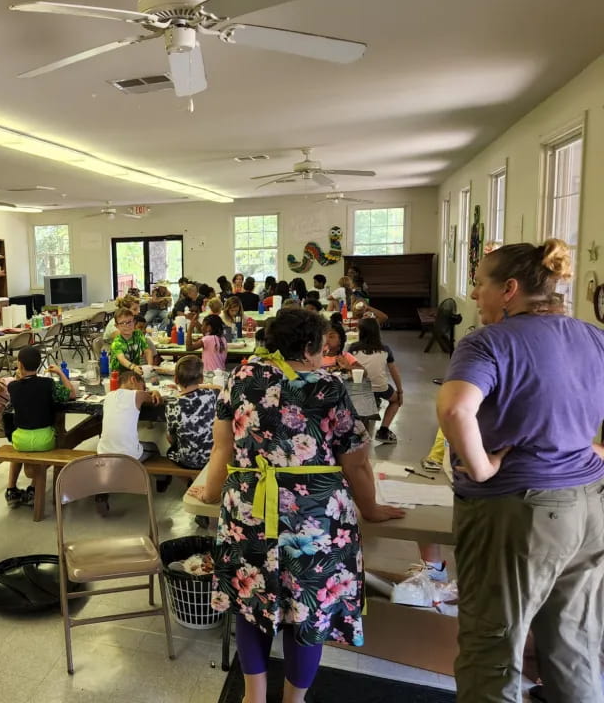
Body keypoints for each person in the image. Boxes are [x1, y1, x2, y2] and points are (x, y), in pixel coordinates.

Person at [189, 308, 403, 703]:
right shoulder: (328, 386)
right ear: (309, 346)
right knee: (308, 611)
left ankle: (253, 696)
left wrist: (213, 492)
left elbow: (222, 446)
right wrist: (370, 508)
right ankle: (293, 699)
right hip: (314, 518)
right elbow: (355, 459)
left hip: (248, 511)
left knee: (250, 597)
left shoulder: (241, 377)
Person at [437, 239, 604, 703]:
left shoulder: (488, 342)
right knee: (574, 643)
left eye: (479, 285)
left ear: (509, 289)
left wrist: (483, 468)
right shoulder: (592, 336)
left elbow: (454, 410)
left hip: (520, 514)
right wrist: (589, 448)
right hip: (589, 507)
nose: (474, 296)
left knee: (492, 647)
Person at [5, 346, 76, 507]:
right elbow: (71, 393)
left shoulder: (13, 387)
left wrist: (19, 376)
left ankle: (11, 491)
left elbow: (22, 390)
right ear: (39, 365)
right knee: (60, 435)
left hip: (20, 440)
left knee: (17, 447)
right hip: (44, 439)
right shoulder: (48, 384)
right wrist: (60, 373)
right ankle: (33, 489)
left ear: (20, 365)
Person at [95, 369, 162, 515]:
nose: (144, 390)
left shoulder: (108, 396)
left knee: (115, 446)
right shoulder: (137, 395)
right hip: (130, 455)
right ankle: (162, 479)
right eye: (143, 386)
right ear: (133, 380)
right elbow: (155, 400)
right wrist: (155, 392)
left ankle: (102, 494)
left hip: (103, 453)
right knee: (153, 447)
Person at [348, 318, 403, 443]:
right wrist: (400, 392)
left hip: (360, 388)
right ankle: (383, 430)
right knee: (395, 401)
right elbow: (394, 371)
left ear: (360, 332)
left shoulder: (353, 348)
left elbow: (349, 369)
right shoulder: (385, 349)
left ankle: (359, 431)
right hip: (380, 388)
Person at [165, 355, 219, 471]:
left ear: (175, 379)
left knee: (169, 443)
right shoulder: (211, 394)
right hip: (213, 456)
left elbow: (170, 437)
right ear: (202, 379)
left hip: (188, 461)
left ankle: (189, 479)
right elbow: (218, 387)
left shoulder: (172, 403)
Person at [110, 306, 154, 375]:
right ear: (117, 326)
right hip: (119, 374)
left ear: (134, 322)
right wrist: (133, 367)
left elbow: (148, 351)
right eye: (123, 323)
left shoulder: (138, 334)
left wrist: (150, 366)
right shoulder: (117, 342)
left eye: (130, 322)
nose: (127, 326)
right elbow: (122, 359)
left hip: (134, 372)